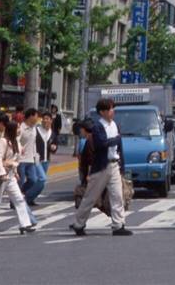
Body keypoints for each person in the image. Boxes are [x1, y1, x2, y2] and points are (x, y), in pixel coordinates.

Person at [69, 98, 132, 236]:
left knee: (117, 196)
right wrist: (116, 139)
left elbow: (119, 147)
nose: (112, 111)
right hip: (101, 167)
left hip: (114, 164)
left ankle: (118, 225)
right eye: (110, 109)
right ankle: (78, 224)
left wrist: (122, 166)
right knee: (90, 197)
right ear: (102, 112)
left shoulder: (115, 125)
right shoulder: (98, 126)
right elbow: (101, 144)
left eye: (112, 109)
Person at [18, 108, 46, 206]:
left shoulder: (34, 128)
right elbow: (16, 141)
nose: (37, 118)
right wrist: (20, 148)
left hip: (31, 159)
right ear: (30, 116)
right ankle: (15, 201)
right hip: (21, 160)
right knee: (21, 181)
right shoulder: (21, 128)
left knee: (33, 180)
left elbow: (34, 144)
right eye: (36, 116)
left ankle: (21, 195)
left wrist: (35, 157)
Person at [36, 111, 57, 176]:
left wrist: (54, 147)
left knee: (42, 181)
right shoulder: (36, 130)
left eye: (47, 119)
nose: (45, 120)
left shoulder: (53, 134)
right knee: (42, 178)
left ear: (51, 121)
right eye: (44, 119)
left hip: (46, 161)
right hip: (37, 160)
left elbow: (55, 146)